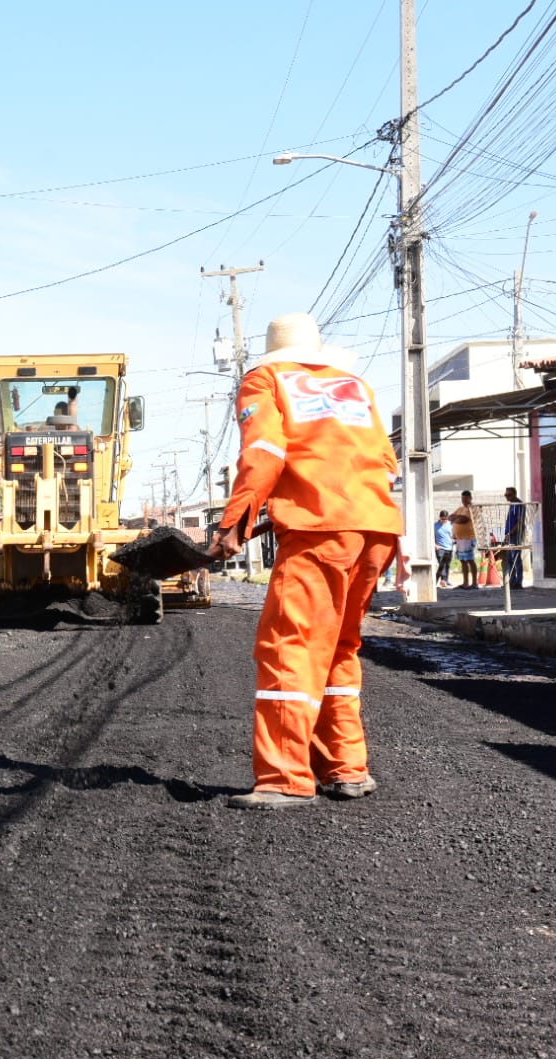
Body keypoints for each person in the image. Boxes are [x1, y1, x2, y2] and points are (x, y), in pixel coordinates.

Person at [208, 312, 402, 811]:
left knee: (288, 647)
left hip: (320, 529)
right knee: (338, 647)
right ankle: (345, 767)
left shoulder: (265, 379)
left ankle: (284, 778)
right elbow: (385, 461)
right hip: (376, 527)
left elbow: (266, 451)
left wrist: (234, 523)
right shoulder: (353, 386)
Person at [449, 490, 476, 589]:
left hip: (468, 538)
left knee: (470, 560)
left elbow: (465, 520)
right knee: (462, 560)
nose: (464, 501)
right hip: (459, 539)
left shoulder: (472, 508)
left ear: (470, 498)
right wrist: (457, 517)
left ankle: (474, 583)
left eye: (465, 499)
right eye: (462, 499)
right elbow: (450, 517)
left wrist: (457, 518)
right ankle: (465, 582)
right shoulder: (460, 508)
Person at [502, 486, 526, 588]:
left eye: (508, 495)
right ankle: (511, 581)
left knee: (516, 558)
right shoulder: (512, 505)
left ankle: (518, 581)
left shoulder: (518, 504)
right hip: (509, 534)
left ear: (514, 494)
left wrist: (512, 532)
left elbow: (520, 522)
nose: (507, 497)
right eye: (506, 495)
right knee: (510, 559)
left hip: (515, 535)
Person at [434, 510, 454, 588]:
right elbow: (430, 536)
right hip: (440, 548)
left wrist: (454, 540)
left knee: (447, 565)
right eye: (442, 519)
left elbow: (453, 535)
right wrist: (435, 545)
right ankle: (443, 581)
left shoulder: (451, 525)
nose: (444, 521)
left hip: (449, 548)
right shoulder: (435, 525)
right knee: (442, 564)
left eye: (445, 519)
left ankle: (443, 580)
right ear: (440, 518)